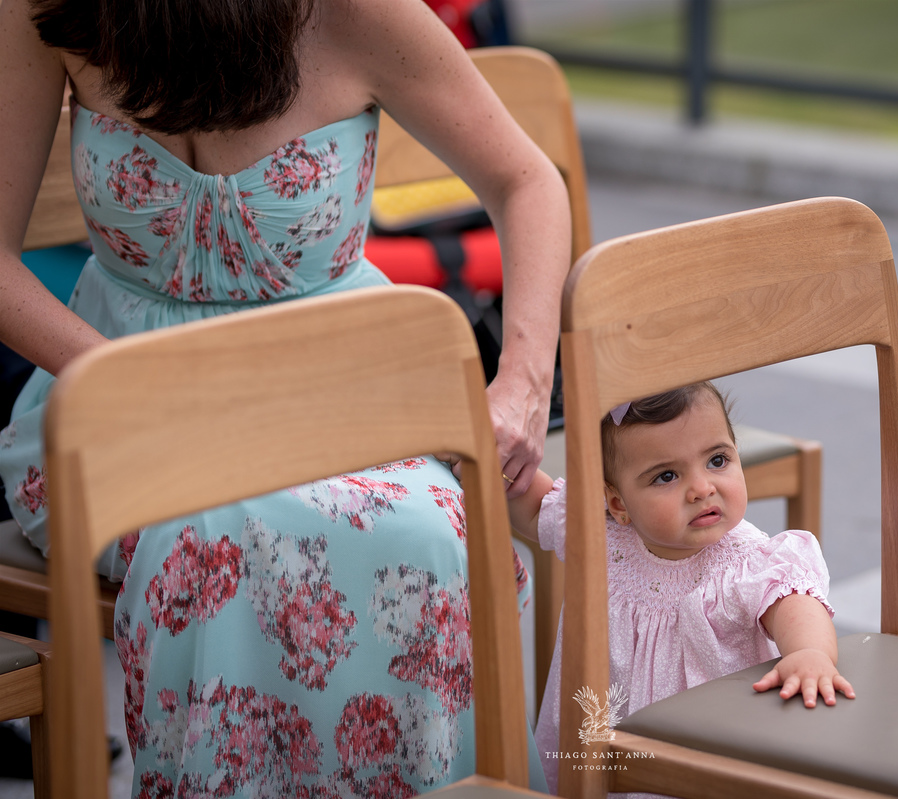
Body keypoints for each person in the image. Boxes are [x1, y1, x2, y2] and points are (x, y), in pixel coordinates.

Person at [0, 0, 571, 793]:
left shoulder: (356, 9)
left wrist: (522, 382)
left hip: (339, 384)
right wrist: (123, 382)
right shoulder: (47, 8)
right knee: (210, 540)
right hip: (117, 393)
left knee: (437, 534)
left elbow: (526, 180)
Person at [508, 382, 855, 792]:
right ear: (618, 504)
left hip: (706, 747)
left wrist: (810, 652)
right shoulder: (598, 534)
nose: (702, 488)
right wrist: (485, 457)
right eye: (667, 476)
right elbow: (530, 503)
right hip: (603, 739)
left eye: (718, 460)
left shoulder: (745, 560)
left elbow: (795, 603)